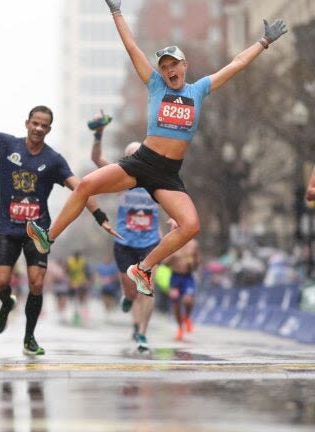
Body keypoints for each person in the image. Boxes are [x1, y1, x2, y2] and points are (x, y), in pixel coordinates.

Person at [27, 0, 288, 298]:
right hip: (142, 162)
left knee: (190, 226)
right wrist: (116, 12)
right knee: (86, 185)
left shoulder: (198, 90)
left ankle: (144, 269)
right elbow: (131, 47)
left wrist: (264, 42)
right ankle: (48, 237)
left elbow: (236, 64)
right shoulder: (154, 85)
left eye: (173, 65)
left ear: (184, 66)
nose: (168, 70)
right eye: (164, 67)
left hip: (168, 174)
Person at [0, 88, 119, 356]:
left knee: (37, 283)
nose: (38, 128)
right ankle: (6, 304)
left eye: (44, 126)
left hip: (37, 233)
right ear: (27, 123)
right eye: (35, 123)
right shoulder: (7, 145)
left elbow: (82, 188)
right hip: (8, 230)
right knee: (0, 283)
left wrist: (100, 217)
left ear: (49, 130)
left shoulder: (53, 160)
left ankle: (29, 338)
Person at [89, 113, 159, 351]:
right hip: (125, 243)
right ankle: (128, 300)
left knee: (146, 288)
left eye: (139, 156)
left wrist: (177, 223)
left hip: (150, 242)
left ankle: (142, 334)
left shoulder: (157, 178)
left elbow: (176, 199)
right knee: (132, 290)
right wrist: (98, 133)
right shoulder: (120, 177)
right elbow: (96, 158)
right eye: (131, 157)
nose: (135, 160)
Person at [163, 218, 201, 341]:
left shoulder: (193, 244)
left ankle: (187, 317)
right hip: (175, 277)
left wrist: (193, 264)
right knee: (176, 304)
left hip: (187, 277)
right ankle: (180, 328)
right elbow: (164, 263)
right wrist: (172, 258)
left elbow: (197, 263)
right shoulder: (171, 243)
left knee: (188, 300)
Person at [65, 251, 91, 326]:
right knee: (74, 298)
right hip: (73, 282)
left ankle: (83, 311)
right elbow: (67, 272)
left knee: (82, 298)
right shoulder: (70, 261)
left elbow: (87, 272)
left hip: (82, 281)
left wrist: (87, 281)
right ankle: (76, 313)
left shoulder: (83, 261)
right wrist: (69, 282)